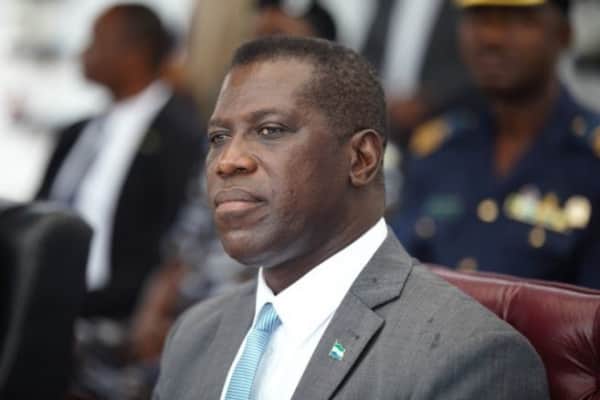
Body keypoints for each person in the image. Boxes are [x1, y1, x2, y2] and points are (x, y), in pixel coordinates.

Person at [153, 36, 548, 399]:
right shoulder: (193, 335)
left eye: (270, 130)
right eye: (219, 137)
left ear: (361, 159)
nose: (227, 161)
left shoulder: (469, 355)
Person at [389, 0, 600, 288]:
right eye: (479, 18)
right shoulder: (439, 147)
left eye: (518, 19)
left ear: (563, 35)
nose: (491, 37)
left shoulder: (589, 159)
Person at [36, 4, 204, 319]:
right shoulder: (77, 131)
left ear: (135, 53)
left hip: (121, 314)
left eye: (97, 41)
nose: (84, 53)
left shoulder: (179, 136)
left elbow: (183, 234)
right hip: (47, 293)